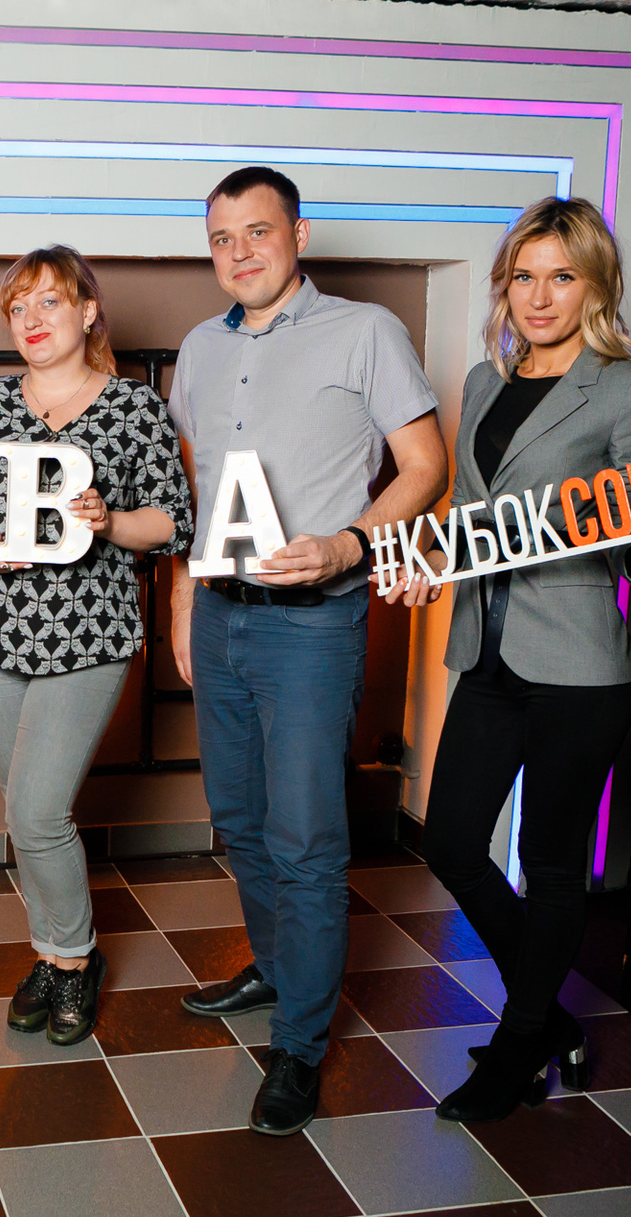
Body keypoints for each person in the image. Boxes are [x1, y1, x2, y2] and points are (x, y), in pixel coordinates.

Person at [379, 197, 631, 1122]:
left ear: (595, 287)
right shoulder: (485, 383)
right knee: (453, 844)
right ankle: (547, 1018)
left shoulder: (628, 388)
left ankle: (519, 1043)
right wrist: (427, 562)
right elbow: (469, 518)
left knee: (549, 863)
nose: (539, 297)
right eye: (524, 277)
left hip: (578, 668)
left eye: (562, 277)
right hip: (485, 651)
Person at [169, 167, 448, 1136]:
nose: (239, 251)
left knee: (305, 838)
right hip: (220, 612)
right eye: (221, 237)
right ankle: (278, 968)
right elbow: (203, 485)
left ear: (299, 234)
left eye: (258, 230)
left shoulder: (366, 331)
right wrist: (184, 596)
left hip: (313, 623)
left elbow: (426, 467)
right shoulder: (199, 348)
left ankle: (299, 1042)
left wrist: (347, 545)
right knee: (240, 821)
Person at [0, 246, 190, 1045]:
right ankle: (50, 957)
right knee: (25, 814)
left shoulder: (134, 408)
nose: (31, 320)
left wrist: (109, 522)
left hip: (90, 635)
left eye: (48, 302)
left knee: (38, 811)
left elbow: (172, 522)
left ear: (87, 312)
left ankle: (76, 960)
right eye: (17, 308)